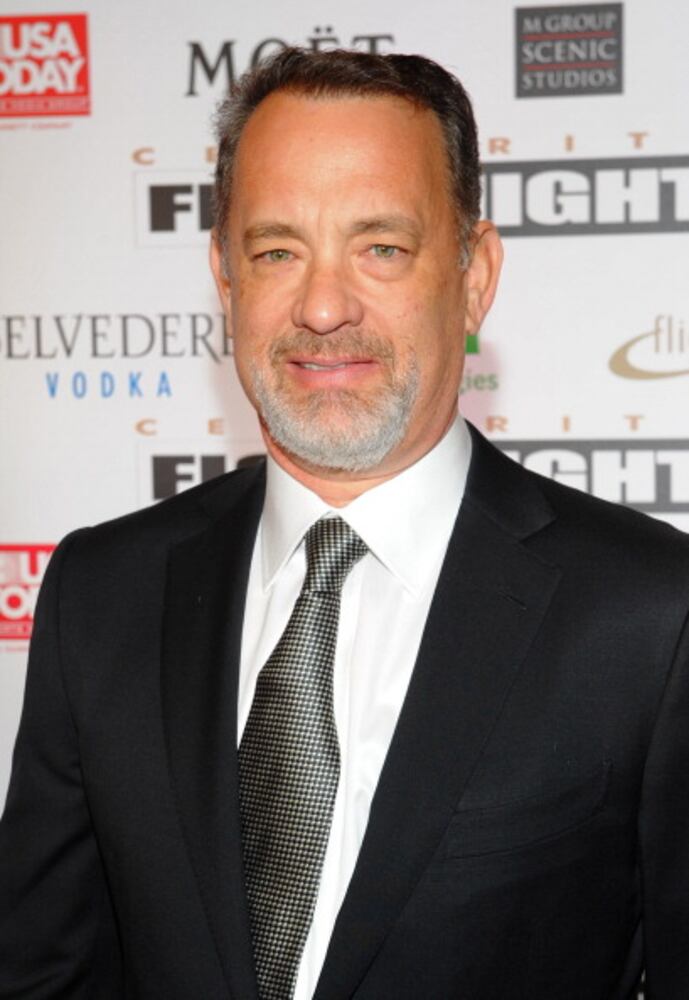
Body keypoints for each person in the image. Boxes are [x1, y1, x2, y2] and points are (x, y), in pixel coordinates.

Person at [1, 46, 688, 1000]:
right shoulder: (103, 592)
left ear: (475, 274)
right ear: (224, 278)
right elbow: (42, 973)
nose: (323, 307)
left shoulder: (650, 614)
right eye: (276, 251)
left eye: (381, 248)